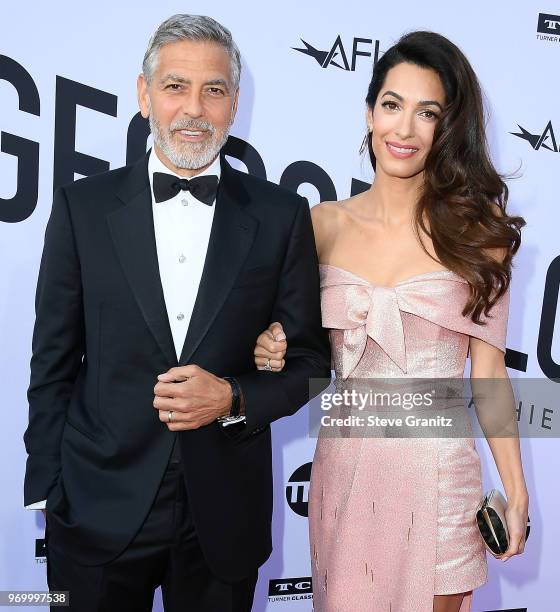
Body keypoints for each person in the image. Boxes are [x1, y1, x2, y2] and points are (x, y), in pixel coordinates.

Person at [23, 14, 331, 612]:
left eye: (213, 90)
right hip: (95, 510)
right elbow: (52, 362)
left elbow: (313, 366)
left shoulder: (281, 216)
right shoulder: (82, 208)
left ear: (234, 104)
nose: (194, 108)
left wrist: (235, 397)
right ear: (143, 95)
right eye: (174, 87)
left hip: (223, 518)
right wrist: (49, 490)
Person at [254, 31, 528, 612]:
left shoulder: (479, 234)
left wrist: (517, 488)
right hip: (346, 474)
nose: (404, 130)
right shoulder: (319, 225)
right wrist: (271, 345)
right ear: (369, 112)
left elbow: (490, 377)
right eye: (392, 105)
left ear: (447, 127)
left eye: (426, 112)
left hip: (438, 479)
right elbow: (293, 347)